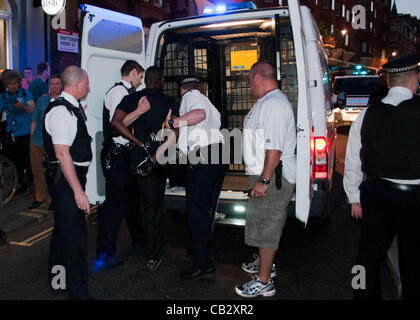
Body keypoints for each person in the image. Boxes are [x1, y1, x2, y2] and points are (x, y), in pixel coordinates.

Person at [344, 54, 420, 300]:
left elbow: (353, 159)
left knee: (368, 256)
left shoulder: (367, 114)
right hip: (413, 197)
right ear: (414, 80)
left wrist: (354, 196)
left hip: (375, 193)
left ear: (388, 82)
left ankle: (363, 296)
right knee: (412, 259)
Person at [234, 61, 296, 298]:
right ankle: (265, 265)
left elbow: (275, 148)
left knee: (268, 226)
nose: (249, 85)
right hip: (265, 174)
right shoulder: (267, 102)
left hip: (272, 177)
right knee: (262, 223)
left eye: (250, 80)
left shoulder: (274, 105)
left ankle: (264, 281)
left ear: (258, 76)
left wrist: (264, 180)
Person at [112, 66, 180, 272]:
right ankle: (158, 250)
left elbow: (116, 122)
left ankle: (152, 253)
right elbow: (175, 132)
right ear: (161, 81)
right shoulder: (170, 102)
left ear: (146, 81)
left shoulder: (133, 99)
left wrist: (137, 141)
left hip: (138, 159)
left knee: (145, 207)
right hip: (162, 158)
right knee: (155, 208)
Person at [163, 75, 225, 280]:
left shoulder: (191, 98)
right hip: (216, 155)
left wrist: (174, 120)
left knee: (196, 211)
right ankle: (203, 251)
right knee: (204, 209)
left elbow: (199, 114)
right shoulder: (207, 100)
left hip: (203, 156)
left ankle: (203, 263)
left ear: (182, 90)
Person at [44, 66, 93, 300]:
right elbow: (63, 155)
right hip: (66, 181)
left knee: (62, 233)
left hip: (67, 179)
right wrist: (78, 192)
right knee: (75, 239)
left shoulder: (71, 107)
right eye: (87, 83)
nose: (89, 87)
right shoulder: (62, 112)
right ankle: (78, 293)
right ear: (76, 84)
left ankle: (58, 281)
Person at [93, 60, 145, 272]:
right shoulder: (118, 93)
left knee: (132, 200)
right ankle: (105, 254)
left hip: (124, 154)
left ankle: (139, 240)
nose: (141, 81)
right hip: (116, 155)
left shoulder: (125, 93)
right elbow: (119, 123)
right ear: (132, 72)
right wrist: (140, 111)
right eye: (140, 76)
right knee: (114, 206)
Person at [28, 74, 63, 210]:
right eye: (52, 84)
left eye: (57, 84)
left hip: (54, 142)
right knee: (37, 170)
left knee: (52, 171)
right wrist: (32, 137)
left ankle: (53, 198)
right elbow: (34, 119)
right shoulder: (42, 101)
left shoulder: (62, 102)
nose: (54, 86)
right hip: (37, 139)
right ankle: (39, 197)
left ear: (61, 86)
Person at [0, 71, 35, 195]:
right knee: (16, 162)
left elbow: (32, 109)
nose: (13, 86)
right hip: (12, 133)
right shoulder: (3, 96)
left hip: (25, 133)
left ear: (19, 83)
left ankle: (31, 185)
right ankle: (20, 185)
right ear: (6, 85)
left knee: (28, 161)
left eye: (15, 83)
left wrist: (23, 107)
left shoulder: (25, 93)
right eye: (10, 84)